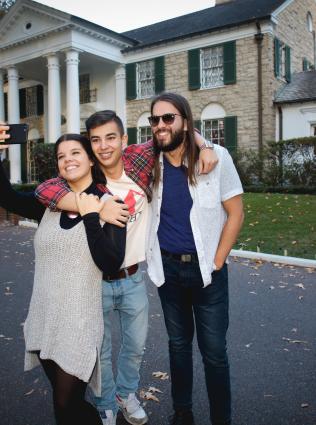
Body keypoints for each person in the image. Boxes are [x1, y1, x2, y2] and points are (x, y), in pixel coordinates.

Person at [33, 110, 218, 425]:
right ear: (90, 149)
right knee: (100, 351)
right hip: (96, 282)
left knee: (134, 346)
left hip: (133, 278)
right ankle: (106, 404)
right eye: (95, 140)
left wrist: (206, 145)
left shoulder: (138, 164)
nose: (104, 146)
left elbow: (174, 131)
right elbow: (44, 189)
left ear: (124, 139)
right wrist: (87, 204)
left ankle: (125, 393)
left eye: (110, 137)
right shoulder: (89, 184)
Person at [0, 130, 126, 425]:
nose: (67, 159)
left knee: (65, 402)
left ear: (91, 160)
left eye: (75, 153)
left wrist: (92, 214)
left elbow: (110, 263)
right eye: (61, 156)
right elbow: (6, 197)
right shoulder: (49, 203)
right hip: (45, 317)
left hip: (78, 324)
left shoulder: (110, 204)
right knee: (65, 405)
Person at [145, 92, 244, 425]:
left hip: (208, 272)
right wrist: (200, 141)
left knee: (214, 353)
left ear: (184, 122)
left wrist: (217, 262)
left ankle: (222, 419)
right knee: (177, 346)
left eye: (168, 118)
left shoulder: (217, 159)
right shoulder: (147, 163)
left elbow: (236, 213)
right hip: (168, 271)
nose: (160, 126)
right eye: (154, 120)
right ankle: (182, 412)